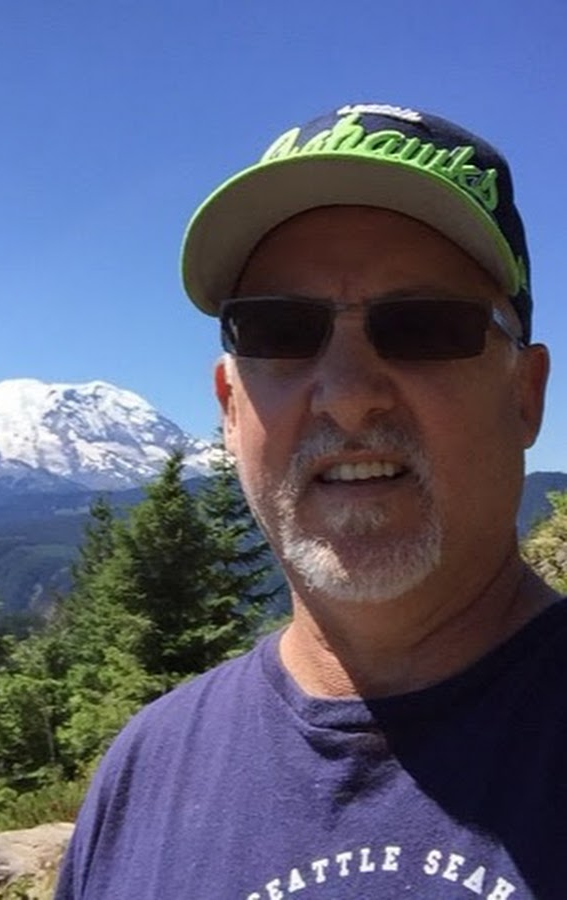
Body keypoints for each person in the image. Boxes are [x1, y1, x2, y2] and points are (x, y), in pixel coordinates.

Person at [54, 103, 565, 899]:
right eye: (279, 330)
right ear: (230, 407)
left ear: (525, 396)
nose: (348, 394)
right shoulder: (144, 773)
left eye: (425, 326)